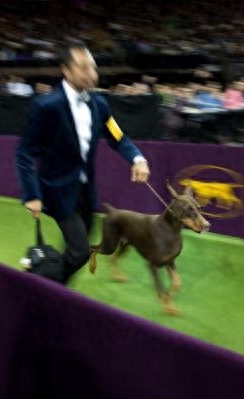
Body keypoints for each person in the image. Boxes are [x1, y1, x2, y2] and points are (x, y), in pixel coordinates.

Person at [16, 42, 150, 284]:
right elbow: (24, 154)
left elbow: (118, 137)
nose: (92, 74)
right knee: (79, 252)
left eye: (93, 68)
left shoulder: (100, 104)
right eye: (84, 68)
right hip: (56, 191)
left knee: (79, 249)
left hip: (85, 192)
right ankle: (45, 285)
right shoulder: (46, 106)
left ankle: (52, 284)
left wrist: (137, 158)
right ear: (66, 71)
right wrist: (31, 195)